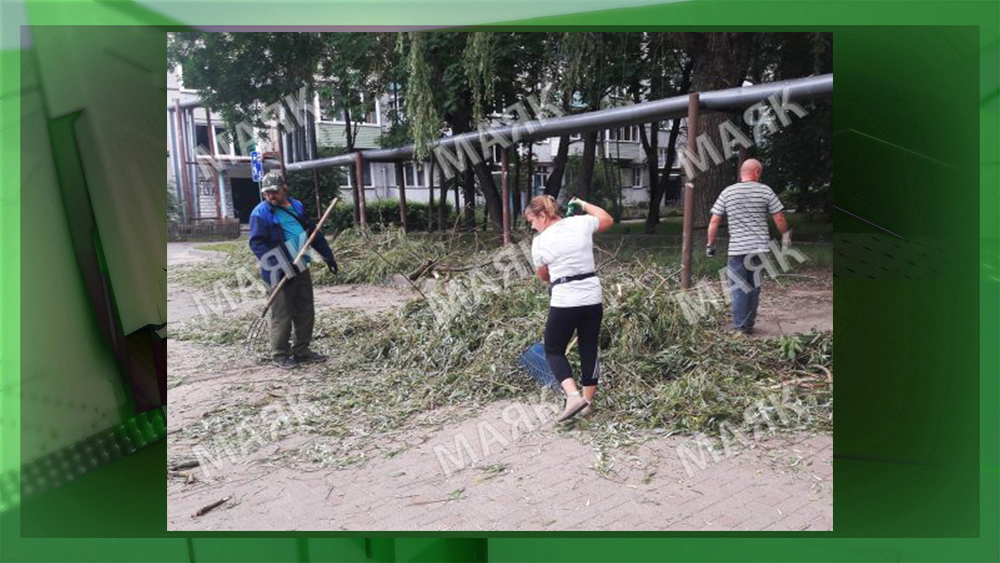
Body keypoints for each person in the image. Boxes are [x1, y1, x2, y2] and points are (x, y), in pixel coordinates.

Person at [526, 195, 614, 422]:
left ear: (543, 215)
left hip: (565, 300)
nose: (532, 226)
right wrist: (584, 204)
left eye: (532, 220)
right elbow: (606, 219)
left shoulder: (540, 241)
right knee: (589, 347)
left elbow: (544, 275)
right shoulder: (580, 222)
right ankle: (587, 404)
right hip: (592, 297)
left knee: (553, 348)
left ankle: (573, 396)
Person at [249, 171, 339, 369]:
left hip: (301, 265)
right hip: (278, 271)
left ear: (284, 189)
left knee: (305, 309)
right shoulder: (260, 213)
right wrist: (281, 265)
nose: (271, 196)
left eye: (274, 192)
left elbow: (312, 232)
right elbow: (258, 245)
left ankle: (302, 349)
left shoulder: (296, 206)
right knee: (282, 312)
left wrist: (327, 255)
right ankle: (280, 353)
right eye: (267, 193)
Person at [706, 159, 789, 335]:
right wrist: (786, 238)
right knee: (754, 287)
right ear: (757, 172)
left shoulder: (728, 192)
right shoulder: (765, 191)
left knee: (738, 289)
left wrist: (710, 245)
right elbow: (779, 218)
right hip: (759, 249)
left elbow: (714, 221)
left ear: (742, 173)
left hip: (737, 250)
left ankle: (740, 327)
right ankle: (748, 324)